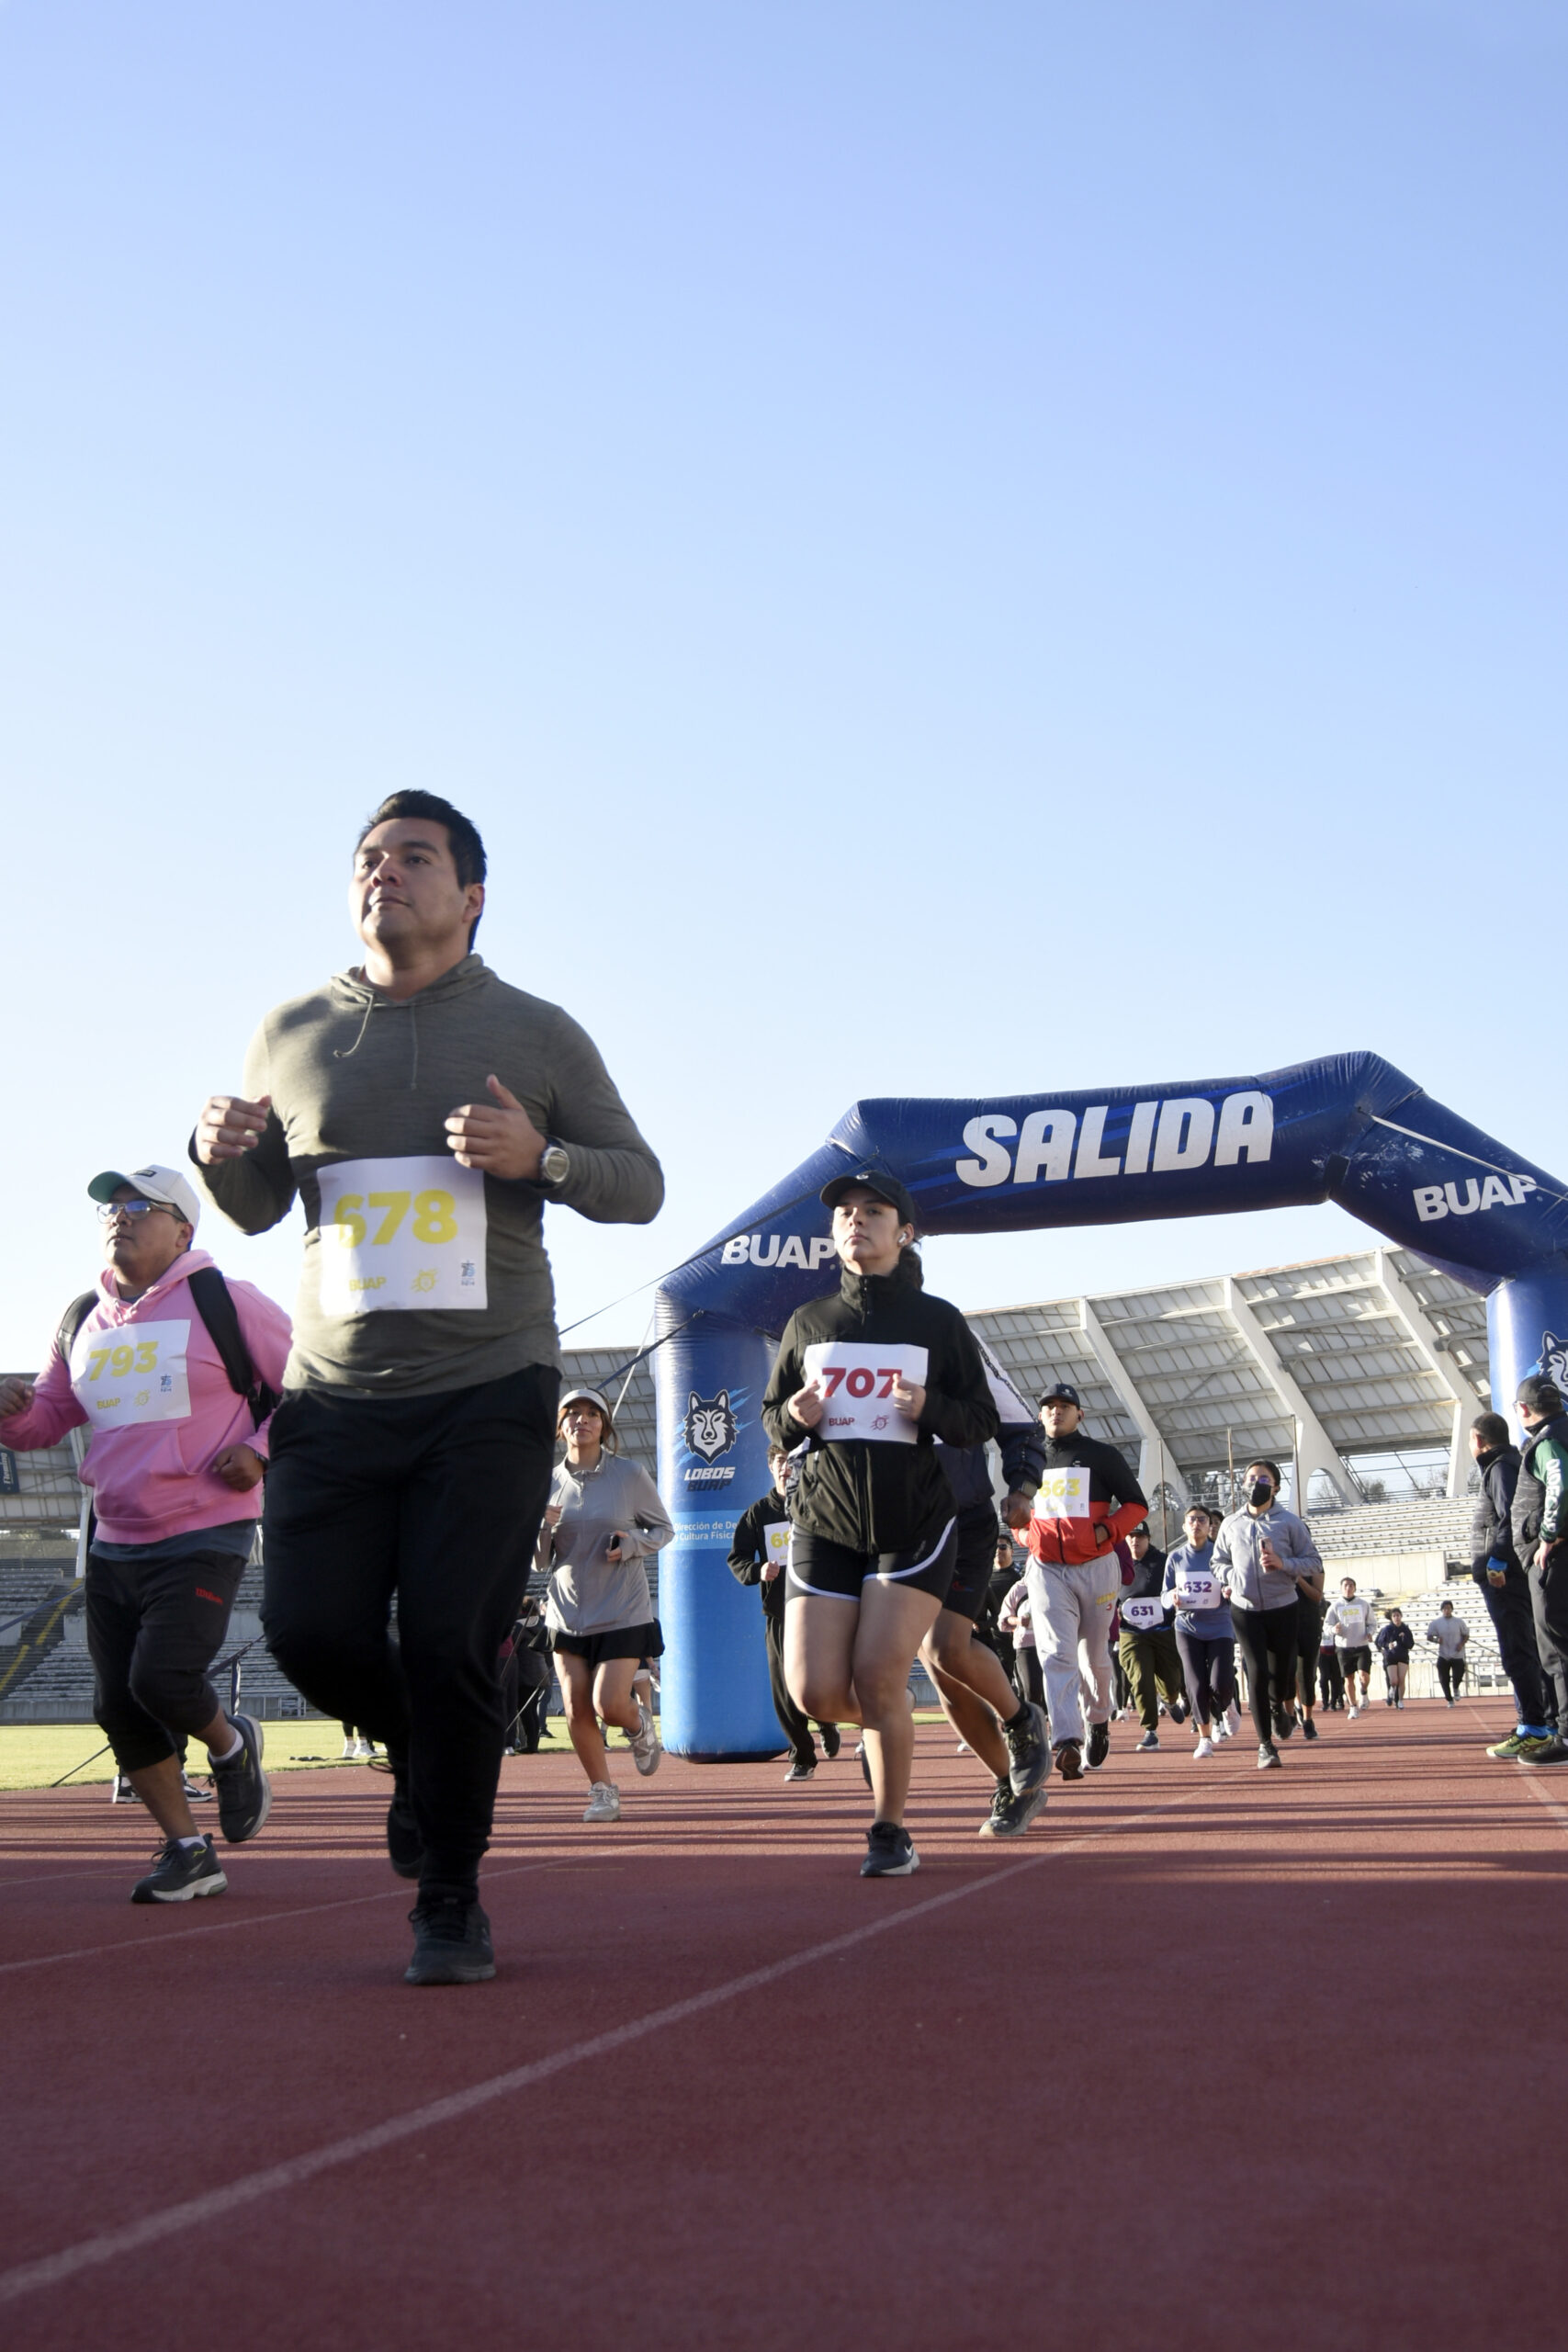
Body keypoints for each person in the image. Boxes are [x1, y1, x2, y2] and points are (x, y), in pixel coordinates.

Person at [192, 791, 663, 1983]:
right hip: (334, 1397)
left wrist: (540, 1158)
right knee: (307, 1631)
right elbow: (253, 1210)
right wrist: (216, 1152)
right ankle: (427, 1746)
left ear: (471, 895)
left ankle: (448, 1899)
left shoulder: (535, 1030)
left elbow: (639, 1183)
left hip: (488, 1388)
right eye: (368, 858)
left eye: (414, 857)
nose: (384, 873)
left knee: (454, 1636)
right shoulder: (292, 1029)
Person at [0, 1166, 287, 1903]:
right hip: (113, 1537)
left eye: (139, 1206)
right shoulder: (81, 1319)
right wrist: (8, 1409)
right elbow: (45, 1421)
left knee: (159, 1679)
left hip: (205, 1528)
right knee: (116, 1705)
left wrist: (259, 1448)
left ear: (183, 1230)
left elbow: (313, 1386)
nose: (117, 1217)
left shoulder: (228, 1303)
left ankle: (231, 1745)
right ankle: (187, 1850)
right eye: (109, 1207)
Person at [761, 1170, 998, 1877]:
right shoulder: (809, 1323)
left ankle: (889, 1830)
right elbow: (772, 1420)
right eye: (844, 1213)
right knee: (811, 1693)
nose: (854, 1220)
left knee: (876, 1676)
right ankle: (887, 1737)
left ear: (905, 1233)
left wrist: (928, 1407)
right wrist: (792, 1422)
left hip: (912, 1524)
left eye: (873, 1210)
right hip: (824, 1521)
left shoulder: (937, 1322)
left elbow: (979, 1422)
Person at [917, 1322, 1050, 1838]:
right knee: (937, 1668)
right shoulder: (836, 1336)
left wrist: (1021, 1484)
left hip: (960, 1519)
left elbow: (1021, 1425)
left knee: (945, 1649)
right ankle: (1011, 1782)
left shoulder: (950, 1335)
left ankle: (1020, 1723)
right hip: (887, 1528)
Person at [540, 1386, 671, 1818]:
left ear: (604, 1425)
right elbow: (540, 1560)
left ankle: (638, 1723)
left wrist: (630, 1542)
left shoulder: (630, 1475)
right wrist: (541, 1528)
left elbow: (663, 1530)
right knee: (576, 1707)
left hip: (622, 1609)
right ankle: (602, 1790)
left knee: (609, 1705)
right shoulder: (545, 1484)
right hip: (567, 1612)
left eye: (591, 1413)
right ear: (561, 1429)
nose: (582, 1420)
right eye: (572, 1414)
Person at [1022, 1381, 1146, 1781]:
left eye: (1065, 1405)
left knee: (1094, 1658)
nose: (1056, 1411)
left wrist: (1107, 1531)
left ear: (1080, 1414)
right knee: (1056, 1653)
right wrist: (1026, 1536)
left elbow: (1136, 1504)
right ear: (1040, 1414)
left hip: (1096, 1568)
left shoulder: (1101, 1455)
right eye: (1048, 1406)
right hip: (1045, 1569)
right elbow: (1015, 1510)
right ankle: (1067, 1740)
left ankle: (1097, 1719)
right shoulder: (1025, 1457)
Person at [729, 1445, 842, 1782]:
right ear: (770, 1467)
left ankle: (826, 1721)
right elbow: (737, 1558)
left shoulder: (817, 1504)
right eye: (779, 1462)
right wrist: (757, 1570)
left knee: (821, 1676)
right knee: (783, 1688)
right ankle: (802, 1756)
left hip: (819, 1608)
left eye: (791, 1463)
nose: (785, 1469)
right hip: (779, 1612)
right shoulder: (758, 1513)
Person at [1213, 1462, 1324, 1770]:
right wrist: (1231, 1578)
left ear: (1275, 1486)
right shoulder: (1231, 1524)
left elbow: (1313, 1561)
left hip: (1284, 1607)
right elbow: (1217, 1562)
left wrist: (1284, 1564)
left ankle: (1279, 1707)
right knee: (1257, 1673)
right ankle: (1265, 1745)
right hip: (1245, 1609)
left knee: (1284, 1675)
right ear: (1243, 1484)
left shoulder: (1289, 1523)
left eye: (1264, 1478)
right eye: (1251, 1478)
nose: (1256, 1482)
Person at [1469, 1411, 1557, 1758]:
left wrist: (1497, 1560)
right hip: (1506, 1571)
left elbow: (1509, 1517)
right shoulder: (1504, 1464)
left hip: (1504, 1574)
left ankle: (1533, 1726)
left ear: (1478, 1440)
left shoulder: (1501, 1467)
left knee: (1518, 1649)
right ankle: (1537, 1723)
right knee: (1523, 1648)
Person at [1513, 1375, 1568, 1767]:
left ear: (1524, 1409)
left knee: (1557, 1650)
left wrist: (1547, 1537)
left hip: (1555, 1559)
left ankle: (1566, 1735)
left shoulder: (1547, 1440)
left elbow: (1560, 1484)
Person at [1161, 1505, 1235, 1758]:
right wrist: (1171, 1597)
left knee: (1220, 1683)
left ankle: (1227, 1703)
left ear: (1209, 1525)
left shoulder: (1220, 1554)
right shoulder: (1176, 1558)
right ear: (1184, 1526)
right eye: (1191, 1520)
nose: (1196, 1524)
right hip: (1187, 1627)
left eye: (1202, 1520)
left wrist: (1228, 1592)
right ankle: (1205, 1738)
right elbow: (1163, 1596)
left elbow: (1233, 1583)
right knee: (1195, 1683)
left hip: (1220, 1625)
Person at [1116, 1522, 1187, 1751]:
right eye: (1130, 1536)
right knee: (1140, 1676)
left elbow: (1179, 1588)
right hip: (1131, 1633)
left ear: (1148, 1539)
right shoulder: (1116, 1563)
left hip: (1163, 1630)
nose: (1135, 1541)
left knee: (1171, 1679)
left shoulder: (1164, 1562)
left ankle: (1171, 1699)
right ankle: (1150, 1731)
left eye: (1140, 1536)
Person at [1323, 1577, 1376, 1719]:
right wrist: (1334, 1629)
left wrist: (1370, 1633)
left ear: (1355, 1588)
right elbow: (1326, 1626)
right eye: (1345, 1585)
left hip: (1361, 1646)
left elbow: (1372, 1623)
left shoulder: (1363, 1604)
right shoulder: (1335, 1606)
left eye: (1351, 1585)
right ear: (1341, 1588)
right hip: (1343, 1647)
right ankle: (1352, 1707)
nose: (1348, 1588)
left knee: (1364, 1677)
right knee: (1348, 1678)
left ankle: (1364, 1692)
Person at [1425, 1599, 1470, 1703]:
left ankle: (1456, 1688)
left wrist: (1461, 1644)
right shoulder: (1436, 1623)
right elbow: (1429, 1636)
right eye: (1445, 1609)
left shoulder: (1459, 1622)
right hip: (1443, 1654)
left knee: (1458, 1675)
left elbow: (1466, 1634)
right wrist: (1436, 1640)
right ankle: (1449, 1699)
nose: (1447, 1611)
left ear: (1452, 1609)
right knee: (1443, 1679)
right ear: (1442, 1610)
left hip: (1457, 1654)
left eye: (1449, 1608)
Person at [1375, 1609, 1414, 1707]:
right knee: (1393, 1680)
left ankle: (1400, 1700)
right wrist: (1388, 1645)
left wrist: (1404, 1637)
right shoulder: (1387, 1629)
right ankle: (1391, 1689)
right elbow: (1379, 1642)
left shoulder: (1405, 1629)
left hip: (1403, 1656)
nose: (1396, 1618)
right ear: (1391, 1618)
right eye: (1394, 1616)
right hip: (1390, 1656)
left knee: (1401, 1680)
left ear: (1401, 1616)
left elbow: (1411, 1644)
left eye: (1398, 1615)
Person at [1318, 1616, 1345, 1712]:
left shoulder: (1335, 1627)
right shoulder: (1318, 1627)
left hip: (1335, 1656)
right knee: (1324, 1679)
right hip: (1323, 1657)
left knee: (1335, 1680)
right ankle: (1325, 1702)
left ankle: (1334, 1702)